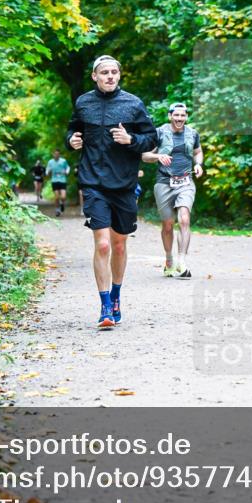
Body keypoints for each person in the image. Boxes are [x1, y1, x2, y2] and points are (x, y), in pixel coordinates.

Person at [66, 55, 157, 328]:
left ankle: (116, 295)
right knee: (103, 244)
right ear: (95, 76)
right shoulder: (83, 103)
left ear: (119, 75)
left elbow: (151, 139)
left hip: (124, 183)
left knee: (118, 244)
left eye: (114, 72)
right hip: (93, 182)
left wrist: (131, 140)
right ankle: (105, 306)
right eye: (104, 72)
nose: (110, 76)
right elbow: (73, 130)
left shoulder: (133, 104)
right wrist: (71, 140)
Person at [142, 102, 203, 278]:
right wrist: (158, 156)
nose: (179, 118)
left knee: (184, 219)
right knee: (168, 224)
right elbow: (145, 156)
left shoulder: (192, 133)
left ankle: (181, 261)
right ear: (170, 116)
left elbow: (198, 152)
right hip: (164, 182)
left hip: (185, 182)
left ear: (186, 117)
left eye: (183, 115)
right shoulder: (159, 133)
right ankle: (169, 259)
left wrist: (198, 164)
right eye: (176, 115)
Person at [45, 149, 70, 216]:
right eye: (55, 154)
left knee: (63, 197)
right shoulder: (50, 162)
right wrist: (47, 172)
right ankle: (57, 210)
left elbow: (68, 167)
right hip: (54, 180)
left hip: (62, 180)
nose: (56, 155)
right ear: (53, 154)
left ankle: (62, 204)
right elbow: (47, 169)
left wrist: (66, 172)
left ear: (59, 154)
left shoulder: (63, 161)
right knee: (56, 197)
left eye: (58, 154)